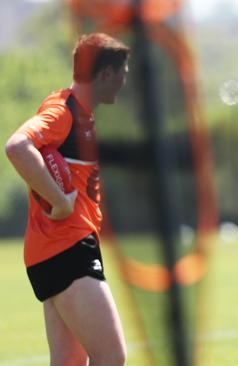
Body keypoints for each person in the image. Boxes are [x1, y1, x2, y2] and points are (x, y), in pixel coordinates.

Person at [5, 33, 130, 365]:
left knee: (68, 361)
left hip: (54, 251)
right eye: (122, 74)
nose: (123, 82)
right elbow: (17, 146)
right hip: (68, 248)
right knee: (112, 357)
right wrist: (59, 200)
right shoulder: (64, 110)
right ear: (106, 74)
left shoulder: (81, 114)